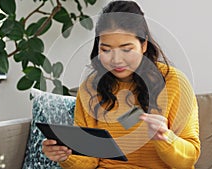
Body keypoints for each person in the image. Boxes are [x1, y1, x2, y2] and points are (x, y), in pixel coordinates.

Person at [42, 1, 200, 168]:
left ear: (144, 44)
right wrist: (66, 156)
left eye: (126, 49)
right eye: (106, 50)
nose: (116, 60)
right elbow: (90, 161)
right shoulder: (90, 88)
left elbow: (190, 158)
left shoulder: (174, 82)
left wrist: (166, 137)